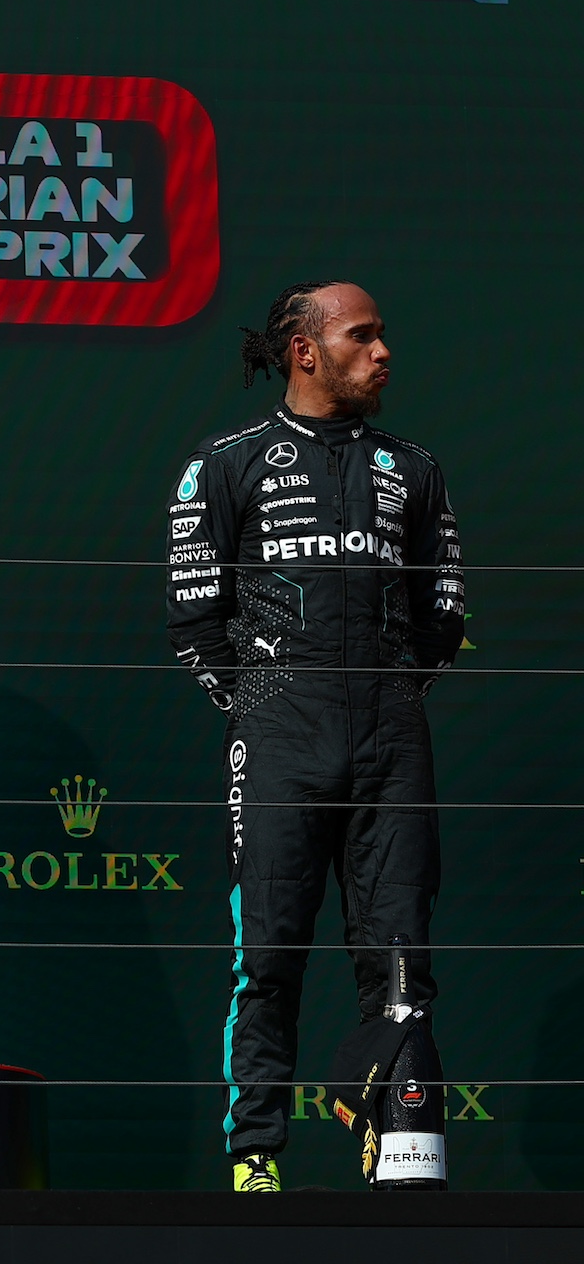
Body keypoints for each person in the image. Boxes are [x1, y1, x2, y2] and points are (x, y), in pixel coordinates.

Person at [165, 281, 464, 1192]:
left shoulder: (413, 468)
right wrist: (262, 706)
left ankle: (403, 1150)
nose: (384, 353)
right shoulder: (226, 463)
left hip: (390, 732)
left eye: (383, 335)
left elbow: (443, 612)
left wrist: (382, 693)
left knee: (402, 951)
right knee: (268, 957)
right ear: (306, 351)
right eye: (362, 337)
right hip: (281, 735)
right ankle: (256, 1160)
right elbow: (193, 612)